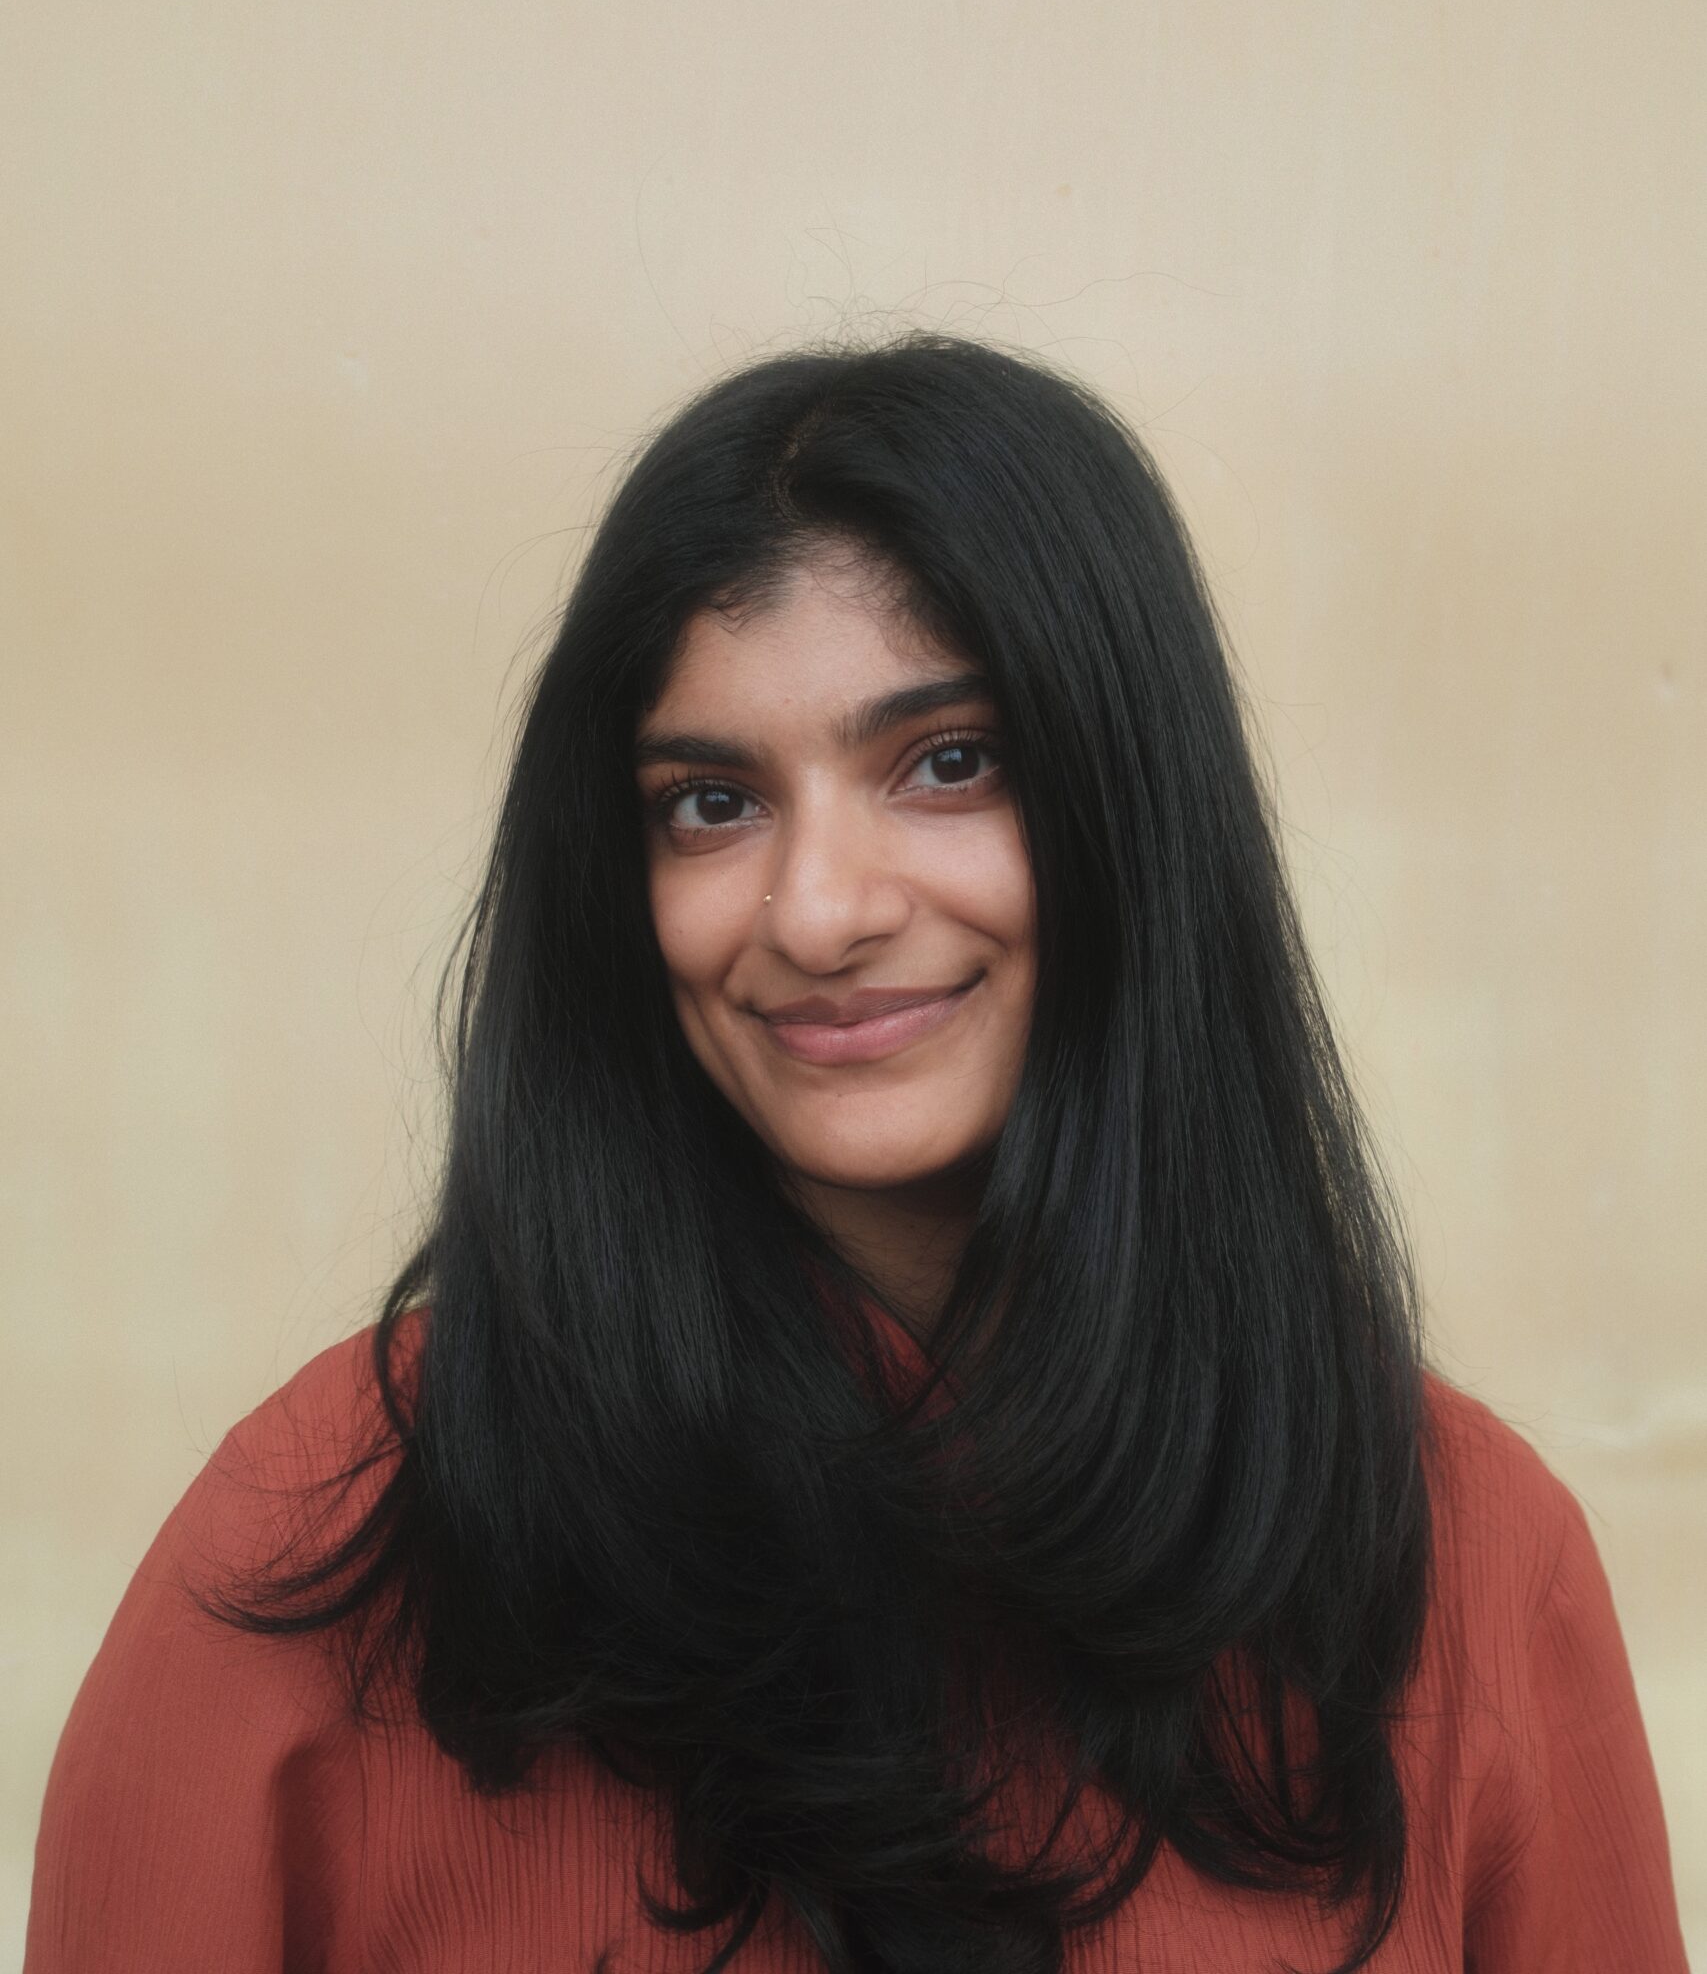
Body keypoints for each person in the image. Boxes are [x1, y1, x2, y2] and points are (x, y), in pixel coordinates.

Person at [26, 333, 1688, 1972]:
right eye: (712, 801)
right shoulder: (321, 1538)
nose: (818, 912)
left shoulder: (1472, 1558)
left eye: (947, 764)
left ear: (1131, 815)